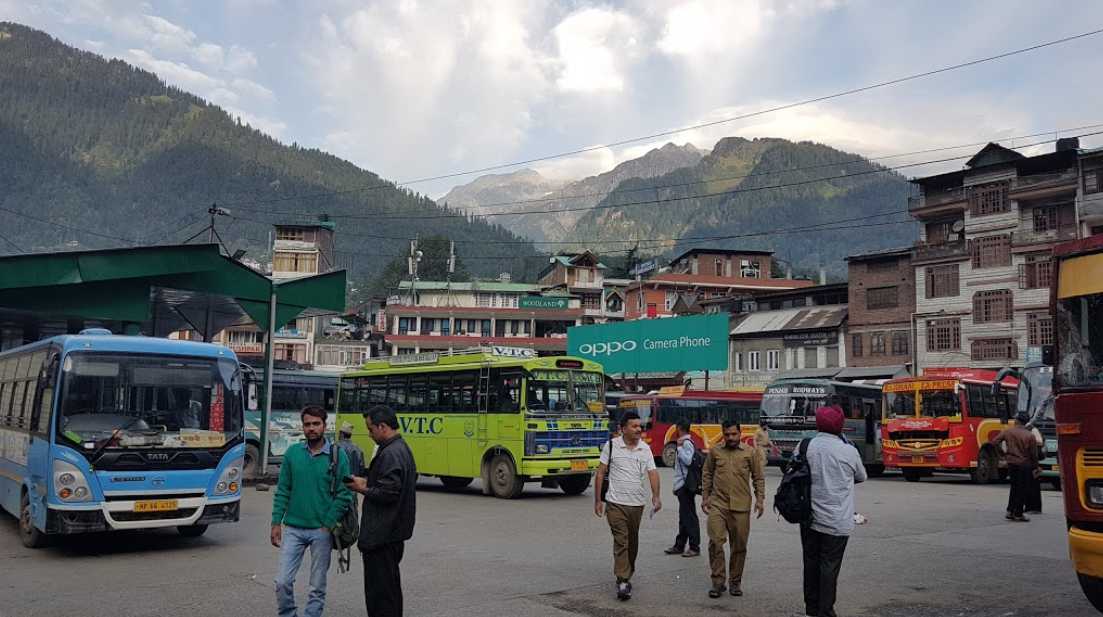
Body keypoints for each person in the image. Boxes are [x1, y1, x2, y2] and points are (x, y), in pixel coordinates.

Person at [271, 405, 354, 617]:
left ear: (325, 426)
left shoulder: (338, 456)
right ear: (303, 427)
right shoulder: (292, 454)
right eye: (307, 424)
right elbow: (283, 490)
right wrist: (275, 522)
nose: (311, 428)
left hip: (322, 531)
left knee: (317, 586)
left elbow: (345, 493)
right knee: (282, 582)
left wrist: (328, 523)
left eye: (316, 424)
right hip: (293, 529)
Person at [345, 405, 417, 617]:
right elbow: (391, 485)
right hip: (392, 534)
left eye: (370, 429)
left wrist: (362, 488)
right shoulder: (400, 448)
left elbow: (388, 493)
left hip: (382, 536)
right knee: (390, 591)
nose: (369, 434)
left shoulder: (391, 453)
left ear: (383, 426)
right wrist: (367, 482)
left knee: (381, 595)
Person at [801, 404, 867, 617]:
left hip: (808, 517)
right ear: (841, 425)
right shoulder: (849, 451)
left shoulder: (805, 446)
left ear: (818, 423)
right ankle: (825, 611)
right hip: (837, 521)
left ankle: (812, 608)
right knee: (829, 566)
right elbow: (861, 476)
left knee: (811, 562)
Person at [593, 410, 661, 601]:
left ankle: (627, 573)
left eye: (640, 426)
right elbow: (600, 473)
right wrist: (598, 500)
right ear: (623, 429)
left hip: (636, 504)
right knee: (621, 541)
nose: (639, 429)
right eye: (634, 426)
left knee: (632, 542)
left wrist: (656, 496)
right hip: (615, 503)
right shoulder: (612, 446)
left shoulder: (645, 449)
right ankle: (623, 580)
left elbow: (653, 473)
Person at [701, 419, 765, 599]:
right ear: (723, 434)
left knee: (739, 546)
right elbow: (707, 473)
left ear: (740, 433)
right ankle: (718, 582)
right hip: (718, 505)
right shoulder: (715, 451)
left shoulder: (750, 453)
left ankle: (735, 582)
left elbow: (758, 477)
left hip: (741, 507)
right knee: (716, 542)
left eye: (733, 434)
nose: (730, 438)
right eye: (727, 434)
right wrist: (705, 497)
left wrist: (760, 500)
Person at [993, 412, 1040, 522]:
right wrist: (1036, 467)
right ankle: (1018, 513)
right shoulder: (1030, 435)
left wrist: (1002, 455)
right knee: (1022, 489)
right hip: (1024, 464)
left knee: (1014, 487)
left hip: (1012, 463)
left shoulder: (1008, 431)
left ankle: (1010, 511)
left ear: (1017, 420)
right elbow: (1034, 454)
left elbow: (995, 442)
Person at [664, 418, 701, 558]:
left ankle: (694, 546)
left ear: (679, 428)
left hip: (686, 485)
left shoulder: (685, 443)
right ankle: (679, 545)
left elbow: (688, 460)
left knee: (689, 517)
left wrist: (679, 449)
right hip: (682, 485)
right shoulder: (685, 442)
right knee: (684, 516)